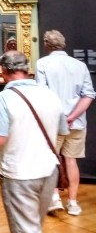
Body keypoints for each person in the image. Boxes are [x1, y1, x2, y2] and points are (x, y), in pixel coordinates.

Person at [0, 50, 67, 233]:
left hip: (19, 175)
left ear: (3, 71)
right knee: (31, 229)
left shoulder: (2, 99)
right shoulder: (50, 95)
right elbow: (62, 130)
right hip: (49, 171)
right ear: (27, 69)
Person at [35, 29, 95, 216]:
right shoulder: (80, 66)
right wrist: (72, 117)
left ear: (46, 45)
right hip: (76, 122)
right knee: (71, 161)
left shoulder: (42, 63)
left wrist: (61, 118)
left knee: (51, 160)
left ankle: (55, 198)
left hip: (53, 122)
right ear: (64, 44)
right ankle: (73, 202)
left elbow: (42, 94)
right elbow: (88, 95)